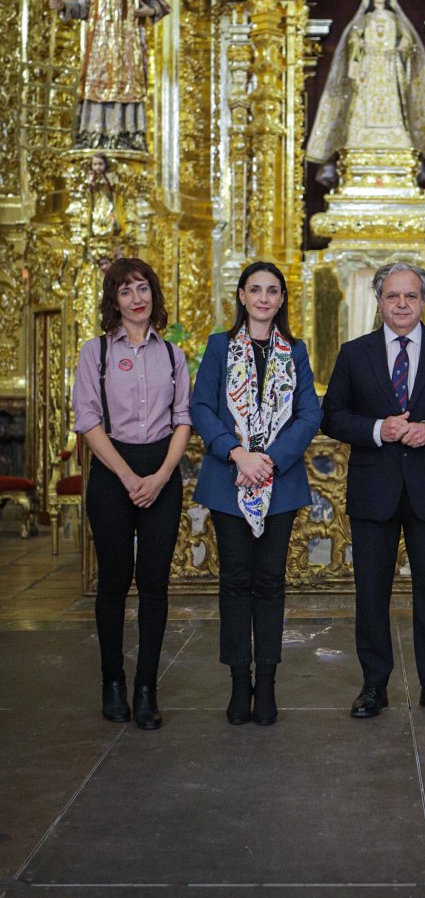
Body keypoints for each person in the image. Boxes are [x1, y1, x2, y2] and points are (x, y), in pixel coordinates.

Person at [322, 261, 425, 719]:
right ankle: (374, 686)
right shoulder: (354, 354)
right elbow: (332, 415)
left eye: (410, 296)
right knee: (371, 593)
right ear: (378, 300)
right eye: (392, 296)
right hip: (374, 491)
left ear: (424, 300)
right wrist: (378, 428)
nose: (401, 304)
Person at [191, 262, 321, 726]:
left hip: (278, 483)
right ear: (242, 296)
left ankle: (266, 684)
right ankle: (237, 682)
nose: (264, 298)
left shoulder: (296, 351)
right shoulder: (219, 347)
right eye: (255, 290)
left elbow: (309, 414)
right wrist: (237, 454)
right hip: (229, 482)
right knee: (234, 582)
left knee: (269, 584)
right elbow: (201, 406)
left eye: (272, 291)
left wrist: (270, 459)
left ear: (282, 299)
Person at [72, 258, 191, 730]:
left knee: (156, 584)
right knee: (115, 581)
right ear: (113, 301)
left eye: (143, 289)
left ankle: (146, 688)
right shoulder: (95, 352)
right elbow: (88, 421)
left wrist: (161, 476)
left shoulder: (174, 356)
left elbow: (183, 419)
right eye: (126, 292)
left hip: (162, 471)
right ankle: (112, 681)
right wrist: (126, 476)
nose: (137, 299)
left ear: (154, 296)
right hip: (111, 472)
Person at [306, 0, 425, 184]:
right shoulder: (364, 20)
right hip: (369, 66)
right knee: (364, 102)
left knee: (392, 102)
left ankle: (396, 135)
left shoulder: (395, 18)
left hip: (389, 66)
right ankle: (360, 136)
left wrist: (402, 45)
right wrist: (359, 44)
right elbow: (353, 41)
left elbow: (408, 39)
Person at [49, 0, 170, 152]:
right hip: (100, 41)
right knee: (97, 84)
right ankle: (96, 133)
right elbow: (82, 7)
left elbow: (157, 4)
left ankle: (127, 133)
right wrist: (64, 4)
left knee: (127, 84)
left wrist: (147, 12)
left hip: (126, 40)